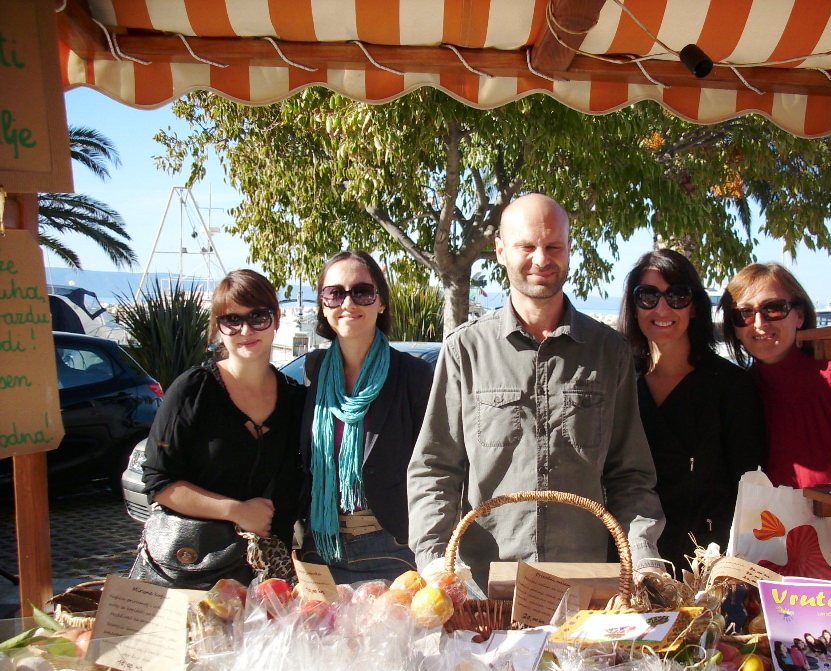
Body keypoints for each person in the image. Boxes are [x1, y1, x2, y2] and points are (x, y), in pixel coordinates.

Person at [407, 193, 665, 591]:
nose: (541, 259)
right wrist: (433, 561)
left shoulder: (609, 352)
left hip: (582, 588)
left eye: (553, 246)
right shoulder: (465, 350)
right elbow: (435, 468)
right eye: (527, 246)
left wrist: (645, 558)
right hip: (483, 590)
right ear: (500, 250)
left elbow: (629, 475)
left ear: (570, 248)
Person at [134, 269, 305, 588]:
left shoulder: (296, 399)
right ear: (218, 327)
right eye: (232, 320)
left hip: (265, 576)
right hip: (191, 569)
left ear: (276, 319)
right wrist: (235, 511)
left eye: (258, 317)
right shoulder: (193, 391)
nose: (246, 330)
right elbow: (159, 482)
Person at [618, 248, 765, 567]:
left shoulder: (731, 387)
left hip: (706, 563)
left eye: (677, 295)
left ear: (695, 306)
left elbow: (749, 487)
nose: (662, 307)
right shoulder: (620, 383)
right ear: (633, 306)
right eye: (648, 296)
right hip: (632, 559)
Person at [297, 251, 433, 583]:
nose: (348, 302)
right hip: (321, 550)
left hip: (393, 551)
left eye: (362, 292)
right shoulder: (314, 371)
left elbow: (435, 467)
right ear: (323, 305)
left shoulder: (413, 375)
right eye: (335, 293)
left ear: (381, 302)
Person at [721, 262, 831, 488]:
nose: (760, 323)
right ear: (735, 328)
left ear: (799, 316)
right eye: (744, 313)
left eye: (773, 308)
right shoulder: (737, 394)